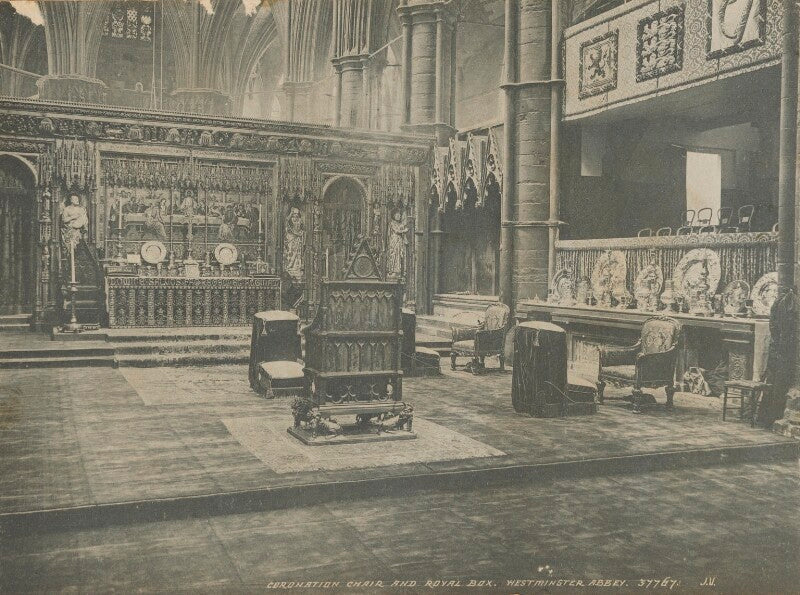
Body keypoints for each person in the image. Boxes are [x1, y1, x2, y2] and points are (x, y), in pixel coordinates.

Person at [284, 207, 304, 282]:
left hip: (297, 240)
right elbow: (287, 228)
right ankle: (289, 267)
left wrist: (299, 234)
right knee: (290, 253)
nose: (295, 218)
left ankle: (296, 268)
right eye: (293, 216)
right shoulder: (289, 224)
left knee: (297, 254)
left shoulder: (299, 222)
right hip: (291, 240)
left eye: (296, 216)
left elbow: (301, 230)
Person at [387, 209, 409, 278]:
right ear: (394, 215)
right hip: (394, 241)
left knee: (399, 255)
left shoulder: (400, 224)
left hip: (400, 241)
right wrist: (404, 230)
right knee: (394, 254)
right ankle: (393, 271)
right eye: (397, 214)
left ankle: (399, 271)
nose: (399, 216)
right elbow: (396, 231)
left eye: (400, 215)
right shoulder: (392, 223)